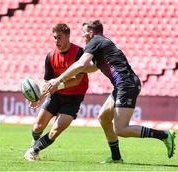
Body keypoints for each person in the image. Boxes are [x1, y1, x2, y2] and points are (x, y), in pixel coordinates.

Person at [44, 20, 176, 163]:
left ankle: (164, 135)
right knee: (104, 117)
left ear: (90, 33)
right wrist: (68, 73)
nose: (82, 37)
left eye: (83, 33)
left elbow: (82, 64)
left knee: (121, 129)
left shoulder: (95, 41)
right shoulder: (102, 44)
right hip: (123, 85)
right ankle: (116, 158)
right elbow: (91, 68)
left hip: (126, 84)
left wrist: (58, 80)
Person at [24, 23, 97, 161]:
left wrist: (56, 86)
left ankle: (33, 151)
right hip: (56, 96)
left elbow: (77, 80)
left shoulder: (80, 53)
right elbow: (46, 81)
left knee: (56, 130)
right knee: (38, 126)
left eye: (60, 37)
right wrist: (39, 97)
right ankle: (35, 142)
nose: (57, 41)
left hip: (74, 98)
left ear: (68, 36)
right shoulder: (50, 56)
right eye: (55, 38)